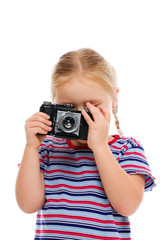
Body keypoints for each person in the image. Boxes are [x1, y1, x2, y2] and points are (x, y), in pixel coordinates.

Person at [15, 48, 156, 240]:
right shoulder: (47, 148)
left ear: (113, 99)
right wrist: (31, 147)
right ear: (55, 104)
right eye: (69, 108)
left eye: (92, 106)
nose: (81, 117)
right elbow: (27, 205)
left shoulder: (127, 149)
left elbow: (128, 205)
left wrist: (99, 146)